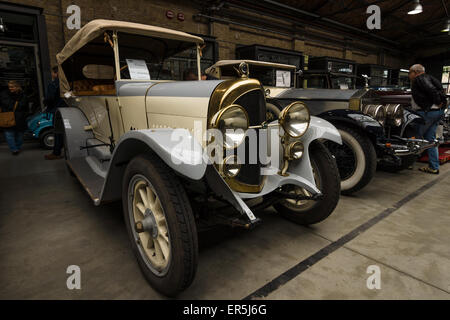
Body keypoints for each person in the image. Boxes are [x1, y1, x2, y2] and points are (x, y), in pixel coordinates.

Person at [409, 64, 447, 174]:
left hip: (426, 113)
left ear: (415, 72)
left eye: (410, 72)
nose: (409, 75)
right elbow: (440, 91)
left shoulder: (419, 79)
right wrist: (442, 103)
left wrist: (438, 101)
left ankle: (407, 163)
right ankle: (433, 167)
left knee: (414, 138)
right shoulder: (431, 78)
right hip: (436, 113)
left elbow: (431, 90)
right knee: (430, 140)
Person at [0, 80, 28, 155]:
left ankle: (17, 147)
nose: (10, 88)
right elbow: (9, 104)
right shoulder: (4, 94)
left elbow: (24, 105)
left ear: (18, 87)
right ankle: (14, 149)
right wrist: (17, 104)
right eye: (9, 87)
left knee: (20, 136)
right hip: (8, 117)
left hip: (20, 118)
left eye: (12, 87)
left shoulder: (23, 94)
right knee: (9, 134)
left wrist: (17, 105)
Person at [44, 66, 66, 160]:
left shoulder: (53, 84)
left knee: (57, 132)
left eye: (52, 72)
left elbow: (50, 98)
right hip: (67, 109)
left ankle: (56, 153)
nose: (52, 74)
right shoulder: (66, 83)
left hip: (57, 110)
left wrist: (45, 103)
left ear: (56, 73)